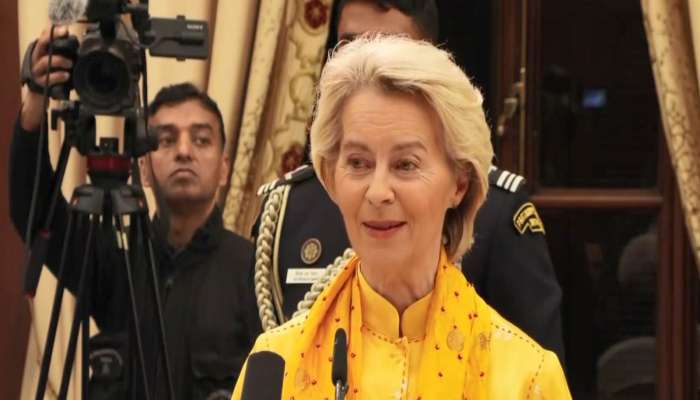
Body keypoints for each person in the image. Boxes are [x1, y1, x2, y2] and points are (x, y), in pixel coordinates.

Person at [233, 35, 571, 398]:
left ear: (459, 183)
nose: (378, 191)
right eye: (358, 163)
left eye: (405, 164)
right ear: (330, 177)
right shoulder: (275, 365)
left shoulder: (525, 377)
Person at [10, 26, 259, 400]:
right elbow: (34, 209)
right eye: (166, 139)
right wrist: (34, 98)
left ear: (225, 168)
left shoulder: (253, 272)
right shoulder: (114, 263)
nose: (184, 151)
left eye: (201, 139)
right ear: (143, 167)